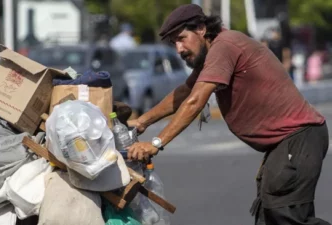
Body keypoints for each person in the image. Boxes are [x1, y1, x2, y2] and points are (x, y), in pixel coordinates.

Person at [126, 4, 329, 225]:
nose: (179, 49)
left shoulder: (224, 46)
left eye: (182, 38)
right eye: (173, 42)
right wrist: (141, 122)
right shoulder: (216, 51)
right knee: (269, 217)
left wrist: (156, 142)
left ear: (201, 29)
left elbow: (195, 101)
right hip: (285, 144)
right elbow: (185, 92)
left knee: (284, 216)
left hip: (298, 138)